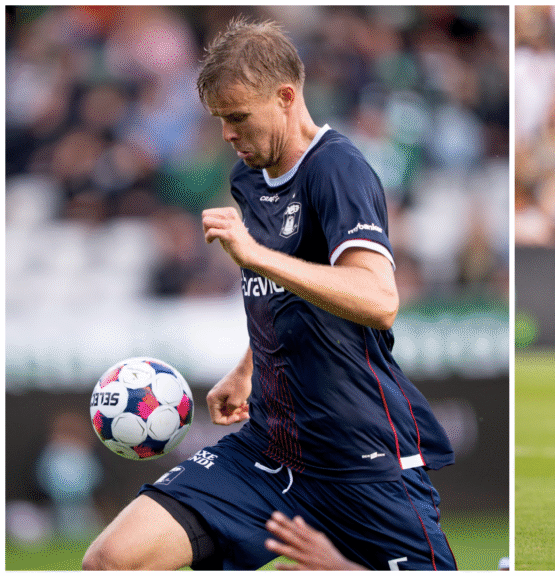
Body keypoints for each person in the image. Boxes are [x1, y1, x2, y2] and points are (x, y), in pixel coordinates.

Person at [82, 18, 457, 570]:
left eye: (238, 117)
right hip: (267, 450)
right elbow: (288, 293)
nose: (227, 134)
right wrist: (249, 367)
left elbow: (379, 300)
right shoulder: (249, 178)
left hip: (360, 462)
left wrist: (254, 254)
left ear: (285, 97)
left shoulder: (338, 170)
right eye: (219, 120)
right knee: (111, 560)